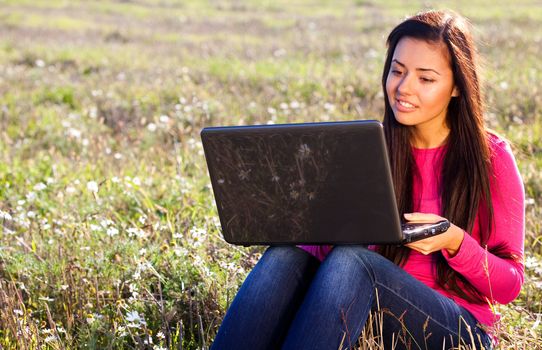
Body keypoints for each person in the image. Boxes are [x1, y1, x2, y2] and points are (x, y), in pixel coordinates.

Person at [211, 9, 525, 350]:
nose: (404, 88)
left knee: (353, 264)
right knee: (285, 256)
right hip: (369, 309)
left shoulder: (491, 156)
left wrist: (454, 241)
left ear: (456, 88)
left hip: (458, 328)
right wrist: (297, 224)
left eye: (425, 78)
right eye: (397, 71)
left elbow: (509, 286)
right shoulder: (370, 149)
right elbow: (324, 247)